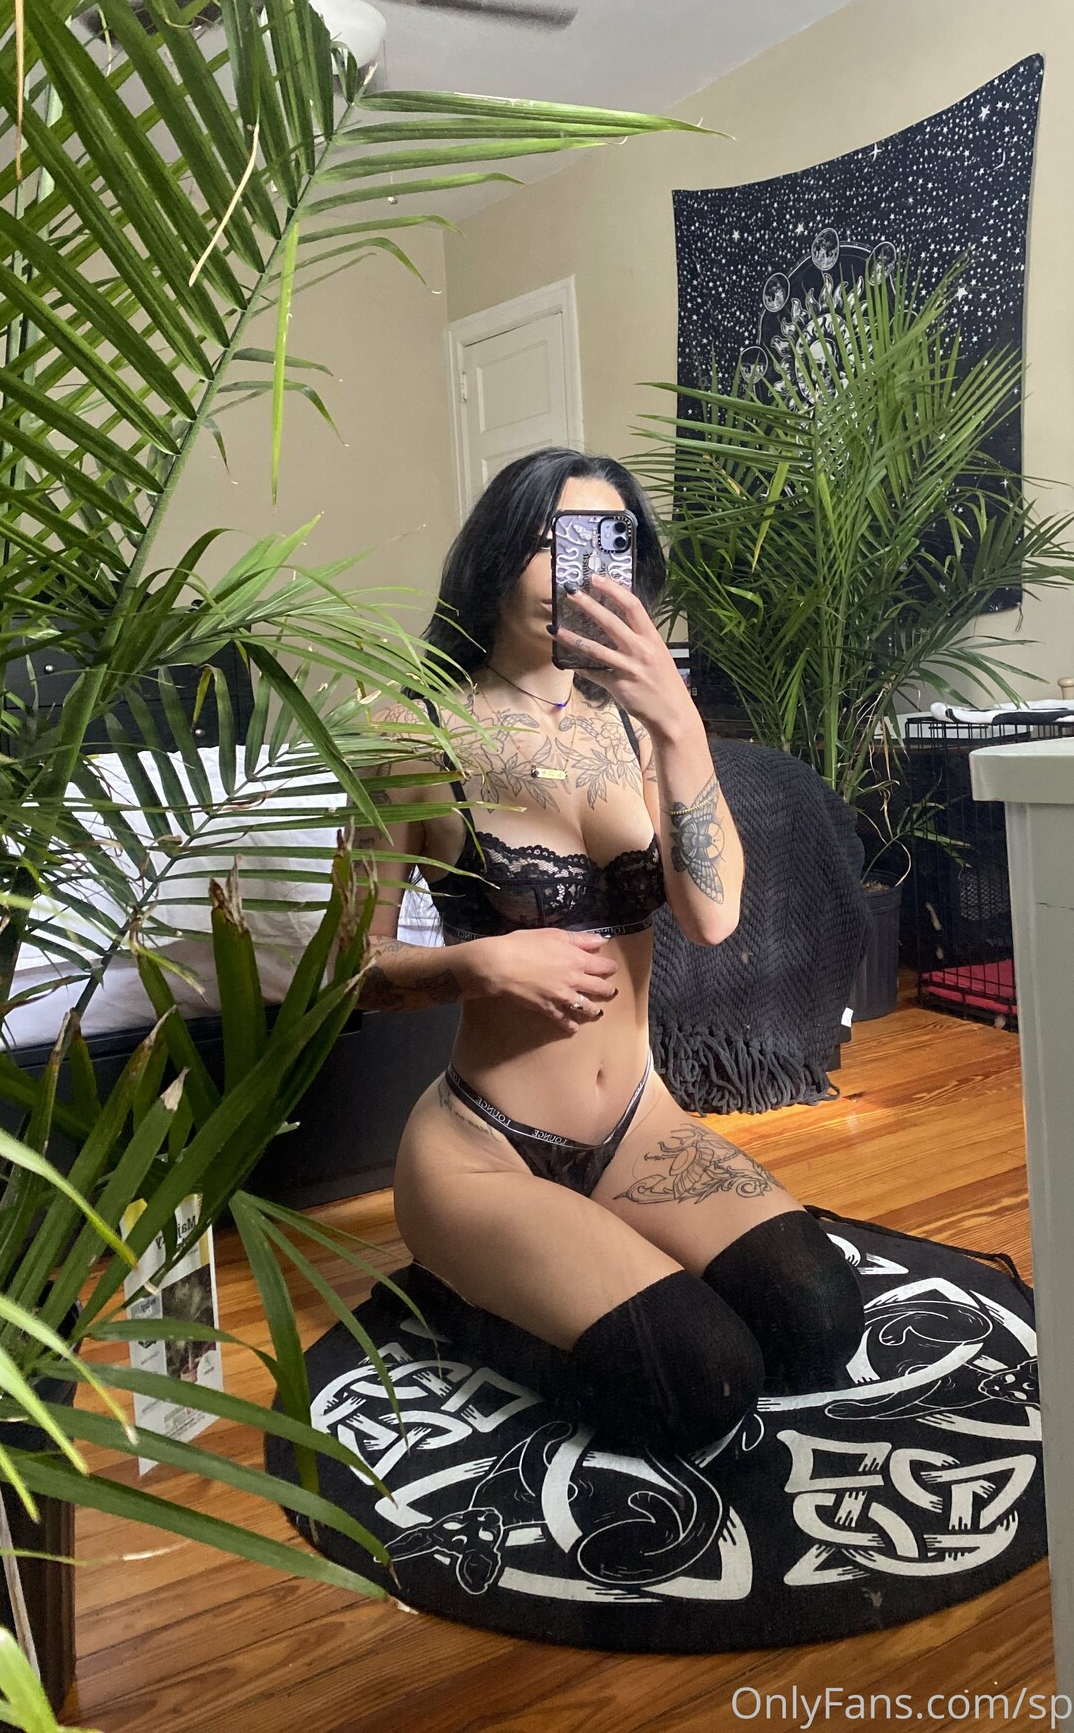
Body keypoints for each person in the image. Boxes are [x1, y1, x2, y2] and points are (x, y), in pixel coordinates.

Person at [357, 449, 864, 1456]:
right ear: (495, 554)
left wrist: (679, 724)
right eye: (549, 541)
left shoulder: (636, 729)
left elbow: (712, 918)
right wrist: (482, 965)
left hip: (638, 1126)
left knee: (818, 1321)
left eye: (604, 545)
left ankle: (587, 1259)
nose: (577, 570)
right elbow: (343, 974)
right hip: (485, 1151)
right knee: (702, 1380)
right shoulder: (412, 731)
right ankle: (451, 1291)